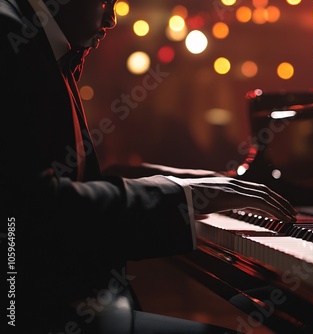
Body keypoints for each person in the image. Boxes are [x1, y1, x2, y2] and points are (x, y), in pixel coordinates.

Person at [0, 0, 296, 333]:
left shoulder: (29, 36)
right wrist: (181, 195)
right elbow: (33, 211)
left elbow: (79, 180)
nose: (111, 19)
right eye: (106, 2)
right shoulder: (7, 33)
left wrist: (196, 183)